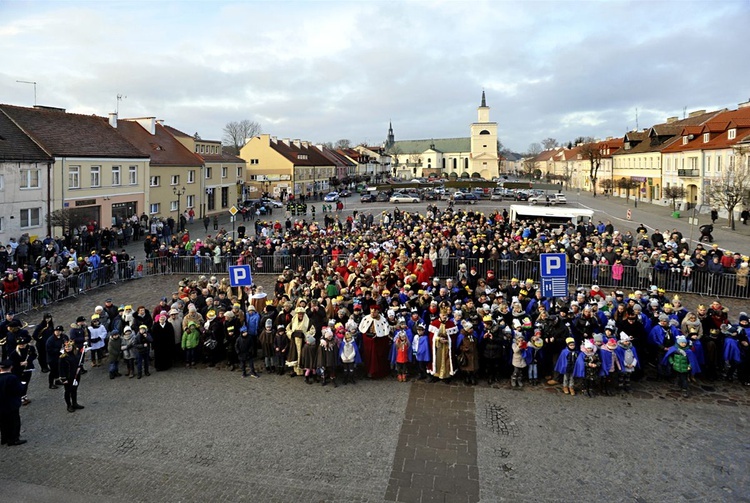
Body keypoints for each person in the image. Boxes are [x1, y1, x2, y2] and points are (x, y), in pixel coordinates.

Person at [358, 305, 393, 379]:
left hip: (378, 341)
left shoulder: (382, 320)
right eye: (371, 312)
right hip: (368, 340)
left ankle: (377, 373)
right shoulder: (366, 318)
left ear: (378, 312)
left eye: (374, 312)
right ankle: (368, 371)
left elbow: (385, 332)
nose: (372, 314)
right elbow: (363, 329)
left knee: (378, 357)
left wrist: (378, 335)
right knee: (368, 356)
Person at [0, 359, 25, 446]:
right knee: (14, 422)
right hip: (11, 404)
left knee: (3, 422)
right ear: (11, 367)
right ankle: (13, 439)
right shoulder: (12, 378)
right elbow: (18, 390)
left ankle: (4, 438)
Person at [9, 334, 36, 406]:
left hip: (28, 369)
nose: (22, 345)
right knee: (21, 385)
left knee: (26, 383)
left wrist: (28, 361)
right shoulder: (14, 353)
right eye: (20, 344)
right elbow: (11, 363)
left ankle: (24, 396)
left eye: (23, 344)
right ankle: (21, 397)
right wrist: (19, 364)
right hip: (18, 371)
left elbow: (34, 355)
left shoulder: (30, 348)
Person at [58, 340, 85, 413]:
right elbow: (61, 369)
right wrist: (63, 379)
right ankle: (69, 405)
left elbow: (79, 361)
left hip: (75, 375)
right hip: (68, 377)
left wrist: (79, 367)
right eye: (66, 347)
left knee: (74, 389)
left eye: (69, 347)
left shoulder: (75, 354)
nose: (67, 348)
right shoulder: (62, 357)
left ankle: (74, 403)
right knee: (68, 391)